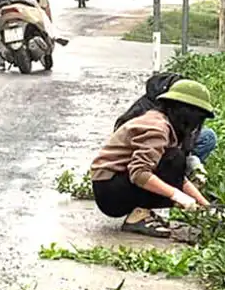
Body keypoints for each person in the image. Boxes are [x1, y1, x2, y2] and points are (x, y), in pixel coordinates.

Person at [90, 78, 216, 238]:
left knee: (175, 161)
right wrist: (176, 195)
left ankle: (141, 210)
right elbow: (139, 173)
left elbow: (177, 177)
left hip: (114, 184)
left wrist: (205, 206)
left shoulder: (164, 123)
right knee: (175, 158)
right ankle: (137, 216)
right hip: (110, 192)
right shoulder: (157, 128)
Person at [117, 72, 217, 177]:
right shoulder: (156, 119)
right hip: (135, 157)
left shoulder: (168, 110)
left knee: (208, 136)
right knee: (175, 158)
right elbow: (139, 171)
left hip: (155, 149)